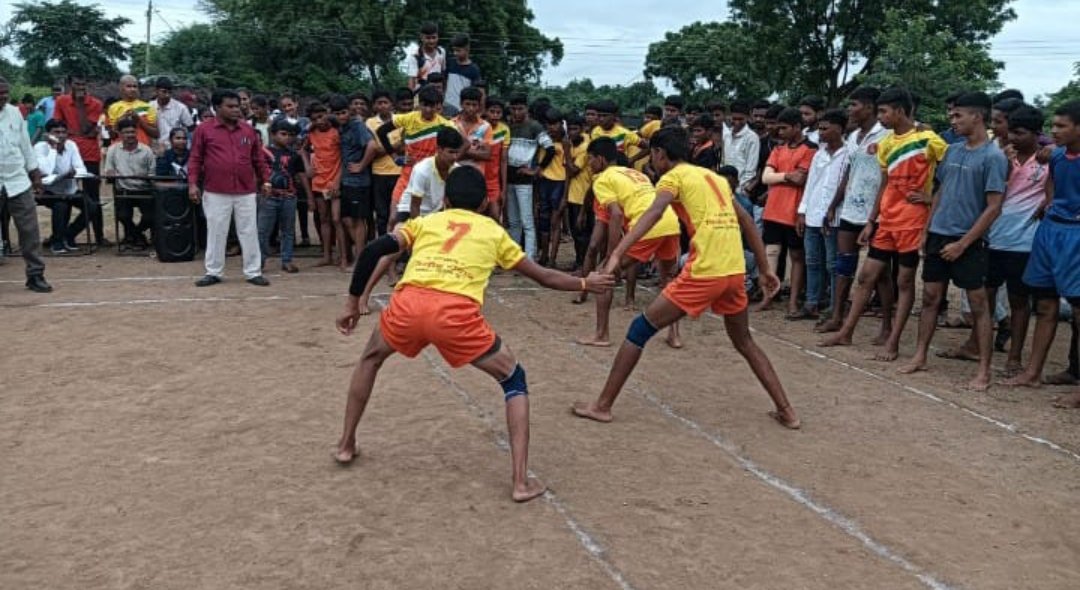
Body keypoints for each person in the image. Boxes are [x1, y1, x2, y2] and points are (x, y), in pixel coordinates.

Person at [333, 166, 614, 502]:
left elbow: (372, 250)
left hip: (408, 304)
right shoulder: (494, 233)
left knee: (370, 359)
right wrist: (586, 282)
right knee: (514, 380)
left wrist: (353, 302)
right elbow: (544, 277)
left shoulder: (426, 222)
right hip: (455, 314)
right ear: (485, 202)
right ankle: (520, 482)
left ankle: (346, 444)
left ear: (447, 199)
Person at [571, 126, 800, 429]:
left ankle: (602, 406)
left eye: (652, 154)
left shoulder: (672, 177)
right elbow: (745, 220)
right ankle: (787, 411)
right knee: (744, 341)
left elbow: (652, 214)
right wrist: (765, 268)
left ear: (659, 154)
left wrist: (616, 255)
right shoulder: (715, 178)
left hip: (706, 270)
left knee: (639, 330)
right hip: (733, 270)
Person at [821, 87, 947, 359]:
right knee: (867, 276)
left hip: (912, 223)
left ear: (900, 110)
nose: (881, 117)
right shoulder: (887, 144)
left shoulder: (930, 140)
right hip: (886, 221)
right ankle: (846, 331)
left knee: (904, 281)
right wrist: (871, 220)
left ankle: (893, 341)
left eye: (884, 111)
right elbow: (885, 183)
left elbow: (947, 179)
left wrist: (928, 199)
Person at [898, 92, 1006, 391]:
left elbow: (994, 206)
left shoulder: (993, 157)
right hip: (938, 235)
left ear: (977, 117)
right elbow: (941, 191)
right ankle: (920, 355)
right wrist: (926, 230)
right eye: (952, 115)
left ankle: (984, 370)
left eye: (958, 115)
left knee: (978, 305)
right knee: (931, 297)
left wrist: (964, 243)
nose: (952, 120)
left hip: (968, 240)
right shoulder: (953, 151)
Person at [944, 105, 1047, 375]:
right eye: (1010, 131)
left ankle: (1014, 357)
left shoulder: (1047, 161)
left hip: (1023, 243)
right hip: (991, 238)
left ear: (1037, 134)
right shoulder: (999, 157)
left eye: (1020, 133)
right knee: (983, 297)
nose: (1013, 137)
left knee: (1019, 301)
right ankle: (974, 345)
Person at [1002, 100, 1080, 405]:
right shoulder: (1057, 157)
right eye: (1054, 125)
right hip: (1050, 233)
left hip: (1075, 236)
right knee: (1044, 304)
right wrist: (1048, 205)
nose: (1054, 131)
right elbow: (1052, 183)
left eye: (1061, 126)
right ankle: (1032, 373)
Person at [577, 136, 683, 348]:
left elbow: (615, 215)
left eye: (590, 159)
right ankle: (675, 335)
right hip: (670, 221)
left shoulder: (602, 179)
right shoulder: (635, 173)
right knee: (669, 279)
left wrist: (612, 253)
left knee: (603, 275)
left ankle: (601, 334)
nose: (589, 164)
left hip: (648, 223)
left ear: (600, 159)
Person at [355, 127, 465, 315]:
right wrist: (418, 234)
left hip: (435, 211)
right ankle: (363, 295)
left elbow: (450, 202)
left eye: (457, 152)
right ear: (439, 149)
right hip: (410, 210)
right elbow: (415, 205)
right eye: (451, 152)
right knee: (394, 251)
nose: (455, 157)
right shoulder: (422, 169)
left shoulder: (457, 171)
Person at [818, 86, 888, 333]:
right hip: (850, 209)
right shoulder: (854, 137)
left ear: (869, 107)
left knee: (879, 272)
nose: (850, 110)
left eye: (854, 105)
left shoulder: (885, 135)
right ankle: (837, 316)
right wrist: (833, 205)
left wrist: (875, 215)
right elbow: (848, 172)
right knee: (843, 264)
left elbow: (887, 176)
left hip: (877, 211)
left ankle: (886, 326)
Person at [188, 90, 271, 287]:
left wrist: (265, 180)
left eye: (237, 106)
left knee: (249, 230)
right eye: (230, 106)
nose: (237, 109)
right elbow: (195, 158)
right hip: (215, 190)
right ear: (217, 108)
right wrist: (192, 184)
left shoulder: (248, 130)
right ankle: (213, 271)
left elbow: (258, 158)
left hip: (246, 190)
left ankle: (253, 271)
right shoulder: (204, 130)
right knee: (216, 231)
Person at [759, 107, 816, 316]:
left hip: (794, 210)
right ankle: (768, 297)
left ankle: (793, 301)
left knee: (796, 257)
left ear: (797, 127)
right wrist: (786, 177)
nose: (779, 132)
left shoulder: (810, 149)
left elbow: (801, 178)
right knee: (771, 253)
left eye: (783, 128)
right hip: (773, 210)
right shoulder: (778, 148)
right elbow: (765, 177)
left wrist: (777, 175)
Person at [376, 85, 451, 236]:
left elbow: (463, 144)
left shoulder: (445, 125)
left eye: (432, 106)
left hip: (431, 178)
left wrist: (446, 162)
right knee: (393, 218)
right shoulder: (408, 118)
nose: (428, 110)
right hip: (407, 175)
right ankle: (391, 257)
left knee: (427, 222)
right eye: (425, 105)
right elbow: (381, 131)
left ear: (438, 106)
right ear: (419, 104)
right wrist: (395, 158)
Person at [796, 108, 849, 318]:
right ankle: (811, 302)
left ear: (839, 128)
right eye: (819, 128)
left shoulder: (848, 154)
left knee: (832, 264)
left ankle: (835, 306)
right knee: (812, 261)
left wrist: (832, 209)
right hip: (813, 215)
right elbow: (811, 184)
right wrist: (802, 211)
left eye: (825, 128)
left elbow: (845, 187)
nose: (821, 132)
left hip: (833, 218)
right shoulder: (818, 154)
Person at [0, 78, 51, 292]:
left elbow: (25, 145)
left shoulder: (14, 112)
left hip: (18, 179)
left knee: (29, 230)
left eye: (5, 93)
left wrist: (35, 173)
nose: (3, 97)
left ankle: (35, 274)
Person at [53, 72, 107, 246]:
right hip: (67, 151)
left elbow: (85, 128)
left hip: (90, 153)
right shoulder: (61, 101)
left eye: (83, 84)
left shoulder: (95, 103)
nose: (80, 88)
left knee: (93, 196)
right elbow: (57, 127)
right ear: (70, 85)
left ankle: (97, 236)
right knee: (66, 193)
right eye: (77, 84)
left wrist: (80, 104)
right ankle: (60, 234)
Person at [504, 92, 554, 259]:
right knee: (513, 221)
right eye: (513, 109)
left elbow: (550, 149)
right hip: (510, 176)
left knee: (527, 221)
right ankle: (513, 256)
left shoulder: (534, 127)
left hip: (525, 179)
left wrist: (536, 170)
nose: (516, 112)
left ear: (526, 108)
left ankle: (529, 257)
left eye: (520, 109)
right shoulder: (509, 127)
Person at [259, 119, 308, 274]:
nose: (287, 137)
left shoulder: (294, 155)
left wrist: (309, 197)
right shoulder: (264, 152)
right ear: (273, 135)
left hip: (289, 196)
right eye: (283, 134)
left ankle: (287, 260)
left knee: (288, 230)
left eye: (290, 135)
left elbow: (305, 175)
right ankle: (259, 260)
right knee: (263, 230)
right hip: (268, 196)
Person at [35, 119, 88, 254]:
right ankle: (57, 242)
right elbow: (46, 170)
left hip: (70, 189)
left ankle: (68, 235)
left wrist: (74, 172)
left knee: (92, 207)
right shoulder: (40, 147)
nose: (61, 135)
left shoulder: (71, 145)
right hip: (47, 191)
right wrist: (53, 148)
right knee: (61, 205)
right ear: (48, 134)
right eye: (56, 132)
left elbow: (81, 167)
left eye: (64, 132)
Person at [103, 118, 156, 249]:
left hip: (144, 189)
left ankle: (133, 235)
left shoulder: (146, 150)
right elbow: (109, 170)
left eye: (132, 132)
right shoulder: (112, 150)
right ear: (120, 134)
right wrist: (110, 174)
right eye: (126, 132)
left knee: (151, 216)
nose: (130, 135)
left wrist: (146, 178)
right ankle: (138, 237)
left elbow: (152, 174)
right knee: (122, 215)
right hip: (123, 190)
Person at [339, 98, 380, 263]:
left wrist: (361, 165)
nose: (340, 116)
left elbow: (373, 146)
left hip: (359, 181)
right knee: (347, 219)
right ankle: (360, 254)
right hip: (347, 180)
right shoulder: (342, 127)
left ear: (349, 111)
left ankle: (361, 257)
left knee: (358, 220)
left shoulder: (357, 126)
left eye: (342, 112)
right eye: (336, 113)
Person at [366, 89, 402, 237]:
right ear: (374, 106)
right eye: (379, 103)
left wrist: (385, 147)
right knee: (381, 214)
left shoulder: (401, 120)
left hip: (399, 173)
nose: (382, 106)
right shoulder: (370, 122)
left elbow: (405, 147)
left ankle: (399, 248)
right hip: (379, 173)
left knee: (399, 212)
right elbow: (374, 150)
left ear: (391, 104)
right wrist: (395, 146)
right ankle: (382, 246)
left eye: (385, 102)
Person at [537, 108, 567, 267]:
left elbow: (568, 168)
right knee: (543, 221)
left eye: (554, 124)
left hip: (559, 183)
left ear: (561, 124)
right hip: (544, 182)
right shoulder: (543, 139)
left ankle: (553, 258)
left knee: (555, 222)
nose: (551, 128)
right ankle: (543, 255)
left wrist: (565, 195)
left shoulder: (565, 142)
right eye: (548, 124)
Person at [563, 113, 593, 271]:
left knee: (583, 233)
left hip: (584, 195)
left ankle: (584, 263)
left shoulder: (585, 146)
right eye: (569, 129)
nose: (571, 132)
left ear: (582, 129)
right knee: (576, 232)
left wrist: (566, 152)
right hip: (573, 194)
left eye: (575, 129)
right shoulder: (573, 144)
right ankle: (579, 260)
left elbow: (573, 170)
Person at [106, 75, 158, 146]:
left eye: (135, 86)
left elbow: (155, 134)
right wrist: (120, 121)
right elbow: (112, 135)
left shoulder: (147, 107)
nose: (133, 89)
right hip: (120, 150)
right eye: (129, 86)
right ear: (121, 88)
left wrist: (139, 120)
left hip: (142, 149)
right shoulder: (113, 108)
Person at [723, 100, 761, 194]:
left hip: (739, 190)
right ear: (729, 116)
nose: (737, 122)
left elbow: (750, 170)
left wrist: (739, 189)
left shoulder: (752, 138)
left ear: (747, 118)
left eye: (740, 119)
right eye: (734, 118)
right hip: (723, 186)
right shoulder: (726, 135)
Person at [483, 96, 509, 222]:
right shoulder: (479, 127)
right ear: (485, 111)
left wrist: (504, 189)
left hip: (493, 181)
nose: (495, 115)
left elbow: (503, 160)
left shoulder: (504, 130)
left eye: (498, 112)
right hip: (479, 177)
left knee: (495, 216)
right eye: (492, 111)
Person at [153, 77, 194, 153]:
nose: (167, 95)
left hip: (176, 151)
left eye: (169, 92)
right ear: (156, 91)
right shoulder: (149, 107)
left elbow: (190, 128)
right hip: (155, 150)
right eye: (164, 92)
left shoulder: (181, 108)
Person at [445, 34, 481, 114]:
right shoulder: (450, 63)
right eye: (454, 50)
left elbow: (477, 92)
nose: (455, 53)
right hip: (447, 106)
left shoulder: (474, 69)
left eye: (458, 50)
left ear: (467, 49)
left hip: (463, 109)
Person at [407, 22, 446, 91]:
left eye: (434, 37)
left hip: (437, 95)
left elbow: (443, 72)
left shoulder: (441, 52)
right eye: (428, 38)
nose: (431, 41)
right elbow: (412, 80)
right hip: (421, 95)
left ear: (438, 37)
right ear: (422, 37)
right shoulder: (415, 57)